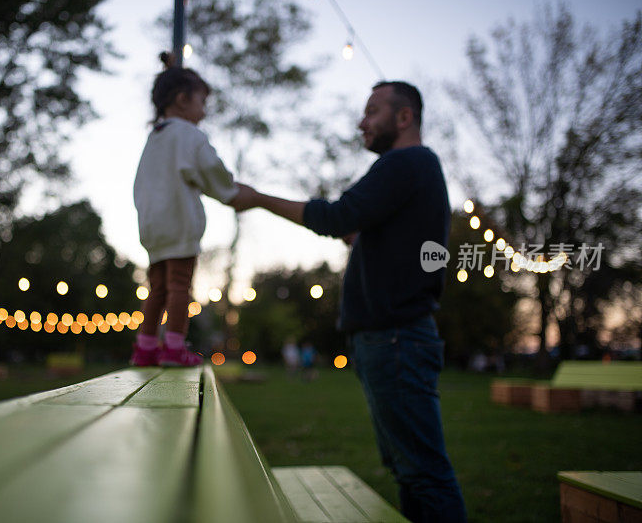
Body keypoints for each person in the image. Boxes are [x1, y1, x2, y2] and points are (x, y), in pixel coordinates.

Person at [233, 81, 467, 522]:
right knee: (408, 470)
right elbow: (376, 235)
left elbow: (336, 215)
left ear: (404, 118)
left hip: (396, 338)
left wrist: (259, 199)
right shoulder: (416, 169)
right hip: (391, 339)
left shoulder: (407, 161)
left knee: (423, 472)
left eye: (373, 110)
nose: (362, 121)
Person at [131, 53, 246, 367]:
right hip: (178, 220)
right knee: (180, 285)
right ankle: (173, 347)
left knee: (157, 288)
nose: (204, 110)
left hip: (152, 223)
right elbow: (211, 169)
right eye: (201, 102)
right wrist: (230, 190)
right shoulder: (189, 134)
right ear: (182, 100)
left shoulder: (154, 137)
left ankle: (145, 347)